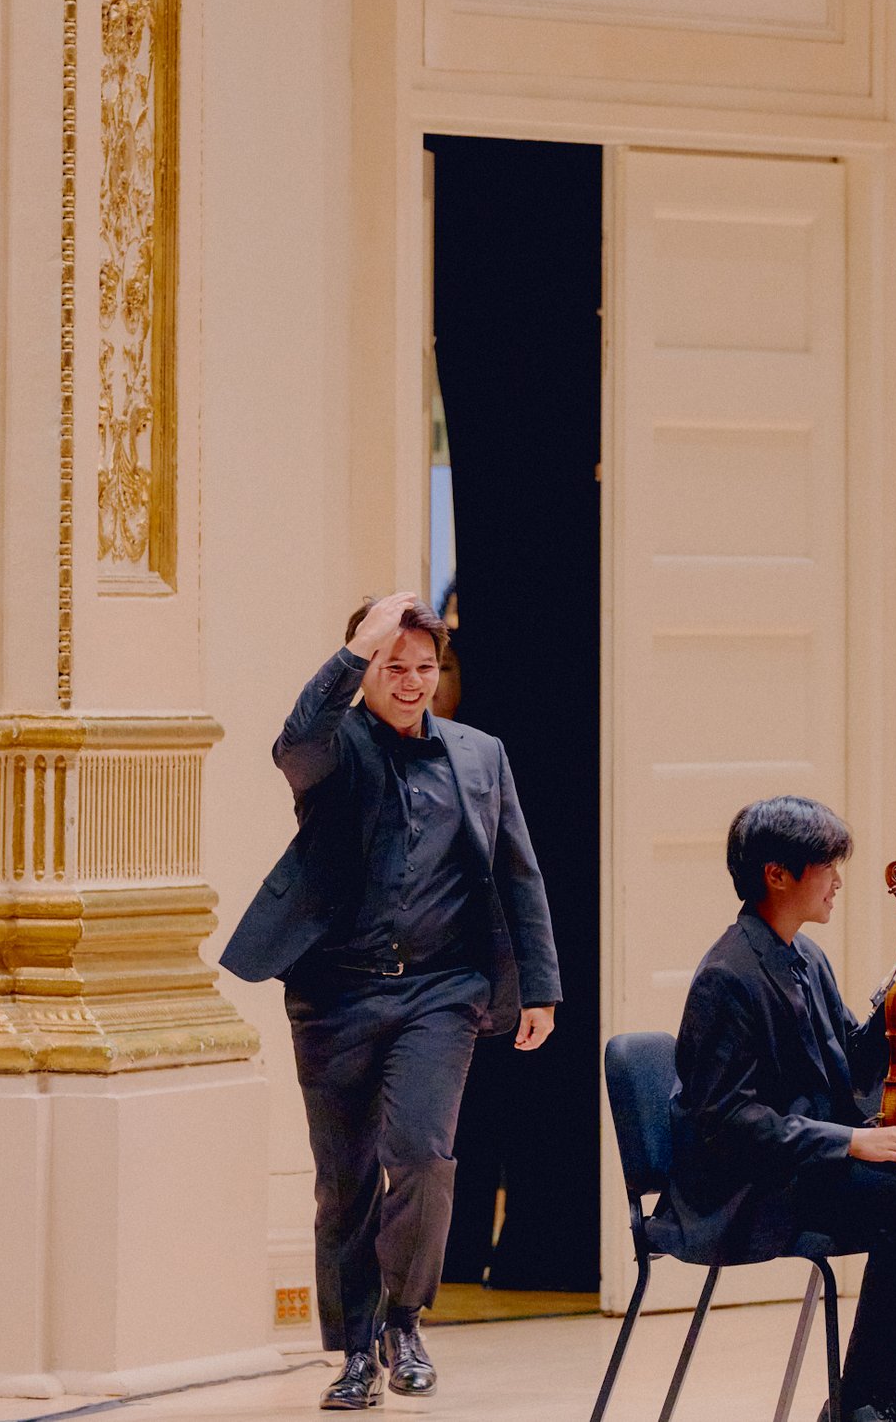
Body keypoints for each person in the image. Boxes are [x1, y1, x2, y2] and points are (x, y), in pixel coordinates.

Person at [221, 591, 561, 1410]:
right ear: (365, 667)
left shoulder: (481, 755)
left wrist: (540, 988)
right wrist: (356, 646)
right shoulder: (334, 749)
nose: (411, 682)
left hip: (442, 994)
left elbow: (518, 872)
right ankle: (353, 1350)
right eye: (391, 665)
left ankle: (404, 1318)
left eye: (425, 667)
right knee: (345, 1181)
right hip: (335, 994)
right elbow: (291, 739)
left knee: (419, 1152)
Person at [661, 797, 896, 1422]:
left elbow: (854, 1062)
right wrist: (848, 1141)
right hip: (747, 1187)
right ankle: (864, 1403)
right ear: (778, 874)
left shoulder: (805, 957)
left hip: (804, 1169)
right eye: (827, 865)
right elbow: (724, 1119)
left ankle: (872, 1396)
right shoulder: (726, 975)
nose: (839, 880)